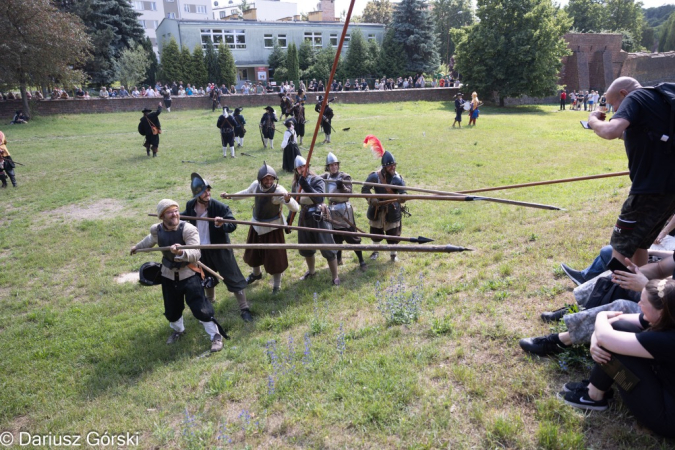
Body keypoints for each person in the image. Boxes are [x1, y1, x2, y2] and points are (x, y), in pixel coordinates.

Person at [558, 279, 675, 439]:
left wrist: (601, 316)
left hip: (667, 419)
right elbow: (617, 323)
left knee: (615, 343)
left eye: (643, 301)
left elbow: (607, 337)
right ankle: (596, 389)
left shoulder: (668, 340)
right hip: (666, 389)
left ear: (661, 311)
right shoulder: (669, 316)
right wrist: (596, 337)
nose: (638, 303)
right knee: (619, 330)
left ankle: (594, 396)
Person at [588, 76, 675, 269]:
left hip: (648, 189)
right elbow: (638, 134)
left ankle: (608, 295)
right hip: (670, 191)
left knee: (621, 248)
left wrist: (593, 121)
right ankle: (638, 294)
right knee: (639, 244)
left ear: (624, 94)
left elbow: (611, 131)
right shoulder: (661, 101)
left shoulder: (635, 98)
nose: (615, 111)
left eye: (614, 105)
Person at [130, 199, 228, 353]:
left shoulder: (188, 229)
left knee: (201, 308)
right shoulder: (157, 230)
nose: (175, 214)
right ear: (162, 216)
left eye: (176, 210)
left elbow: (196, 253)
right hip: (168, 275)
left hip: (189, 274)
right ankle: (179, 330)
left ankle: (215, 336)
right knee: (172, 309)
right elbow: (150, 240)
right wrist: (137, 247)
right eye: (170, 212)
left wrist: (182, 252)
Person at [221, 162, 300, 293]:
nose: (269, 181)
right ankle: (256, 274)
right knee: (253, 253)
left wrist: (287, 200)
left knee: (275, 258)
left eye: (271, 179)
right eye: (266, 179)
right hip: (256, 225)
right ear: (260, 179)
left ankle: (276, 285)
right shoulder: (255, 186)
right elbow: (246, 193)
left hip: (273, 229)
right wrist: (230, 196)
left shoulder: (279, 191)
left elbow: (296, 207)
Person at [182, 174, 252, 322]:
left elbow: (232, 224)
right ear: (197, 195)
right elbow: (184, 216)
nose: (207, 194)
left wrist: (221, 224)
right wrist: (172, 216)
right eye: (204, 191)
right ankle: (210, 302)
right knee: (206, 278)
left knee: (233, 277)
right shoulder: (191, 206)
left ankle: (244, 308)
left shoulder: (219, 207)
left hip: (220, 249)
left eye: (208, 190)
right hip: (201, 250)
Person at [291, 156, 340, 285]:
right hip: (304, 217)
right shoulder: (295, 184)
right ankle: (311, 271)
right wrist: (289, 222)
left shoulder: (317, 180)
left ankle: (335, 276)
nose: (302, 169)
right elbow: (294, 202)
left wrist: (306, 185)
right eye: (299, 167)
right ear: (296, 169)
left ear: (308, 166)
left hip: (319, 216)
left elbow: (319, 199)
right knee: (306, 248)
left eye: (304, 166)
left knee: (328, 248)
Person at [321, 152, 367, 271]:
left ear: (338, 165)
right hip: (331, 210)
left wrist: (341, 186)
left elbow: (349, 193)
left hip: (344, 210)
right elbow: (315, 179)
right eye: (331, 165)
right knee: (336, 237)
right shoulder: (326, 177)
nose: (333, 167)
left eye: (335, 164)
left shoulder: (345, 177)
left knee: (352, 237)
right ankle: (339, 259)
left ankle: (361, 261)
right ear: (328, 167)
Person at [361, 145, 407, 262]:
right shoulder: (374, 177)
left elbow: (403, 192)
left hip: (392, 209)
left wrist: (402, 197)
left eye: (394, 165)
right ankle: (375, 251)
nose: (393, 167)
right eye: (391, 166)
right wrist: (372, 199)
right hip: (377, 208)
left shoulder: (397, 178)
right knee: (376, 232)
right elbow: (365, 190)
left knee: (393, 233)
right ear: (385, 167)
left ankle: (393, 254)